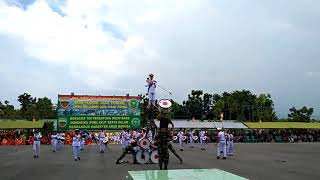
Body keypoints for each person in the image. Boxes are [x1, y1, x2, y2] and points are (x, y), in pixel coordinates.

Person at [154, 100, 174, 170]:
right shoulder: (161, 118)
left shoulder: (167, 120)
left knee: (167, 157)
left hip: (165, 145)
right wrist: (161, 112)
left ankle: (165, 166)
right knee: (160, 157)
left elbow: (172, 125)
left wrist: (171, 131)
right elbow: (157, 118)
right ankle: (160, 168)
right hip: (160, 145)